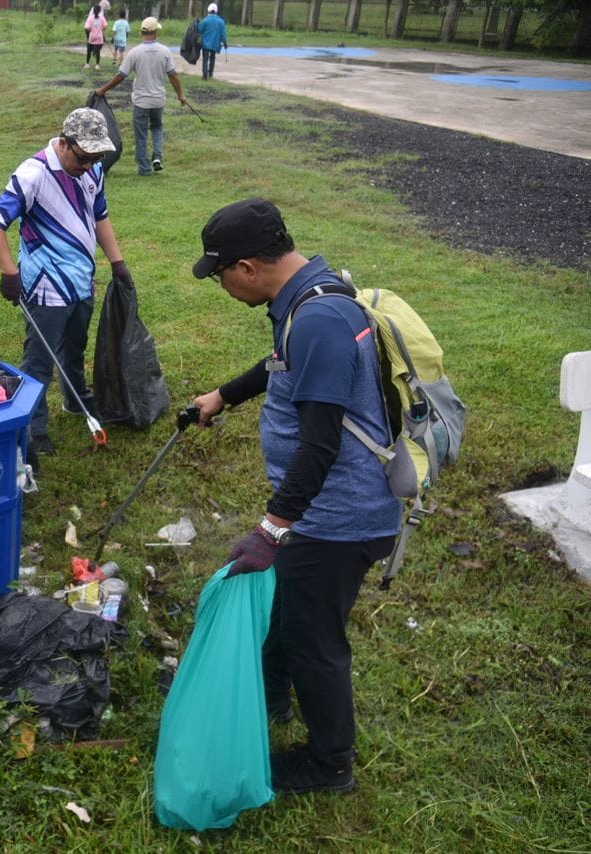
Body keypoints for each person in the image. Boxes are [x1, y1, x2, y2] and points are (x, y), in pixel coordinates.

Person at [189, 198, 402, 795]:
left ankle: (331, 764)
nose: (222, 285)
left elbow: (320, 447)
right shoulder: (310, 293)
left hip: (341, 519)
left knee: (315, 642)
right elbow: (284, 364)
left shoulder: (318, 320)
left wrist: (273, 528)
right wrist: (224, 394)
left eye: (221, 274)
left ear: (250, 267)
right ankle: (272, 700)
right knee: (283, 608)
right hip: (323, 511)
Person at [0, 108, 130, 459]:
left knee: (74, 348)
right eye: (83, 157)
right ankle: (35, 428)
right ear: (64, 143)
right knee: (39, 360)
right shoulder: (32, 174)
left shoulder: (92, 168)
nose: (89, 164)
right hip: (46, 285)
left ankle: (75, 398)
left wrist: (118, 262)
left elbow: (100, 216)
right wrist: (9, 274)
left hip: (81, 281)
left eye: (97, 157)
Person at [94, 17, 188, 177]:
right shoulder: (164, 51)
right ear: (156, 32)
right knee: (157, 127)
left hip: (141, 101)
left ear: (142, 32)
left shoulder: (135, 53)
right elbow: (173, 75)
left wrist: (103, 89)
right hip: (158, 100)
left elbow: (120, 76)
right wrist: (181, 95)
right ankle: (157, 157)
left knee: (141, 133)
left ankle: (144, 168)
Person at [198, 3, 228, 80]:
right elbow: (223, 34)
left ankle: (204, 76)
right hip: (215, 44)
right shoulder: (221, 22)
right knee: (212, 58)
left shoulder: (205, 20)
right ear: (216, 11)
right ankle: (210, 74)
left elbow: (200, 30)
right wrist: (225, 43)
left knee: (205, 59)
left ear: (208, 10)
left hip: (206, 43)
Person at [84, 5, 107, 70]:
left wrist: (91, 30)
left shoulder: (90, 18)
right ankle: (97, 65)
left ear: (93, 11)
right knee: (97, 52)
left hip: (92, 37)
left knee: (89, 51)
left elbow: (87, 28)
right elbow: (105, 26)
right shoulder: (102, 18)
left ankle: (87, 64)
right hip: (99, 37)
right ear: (100, 11)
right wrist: (101, 29)